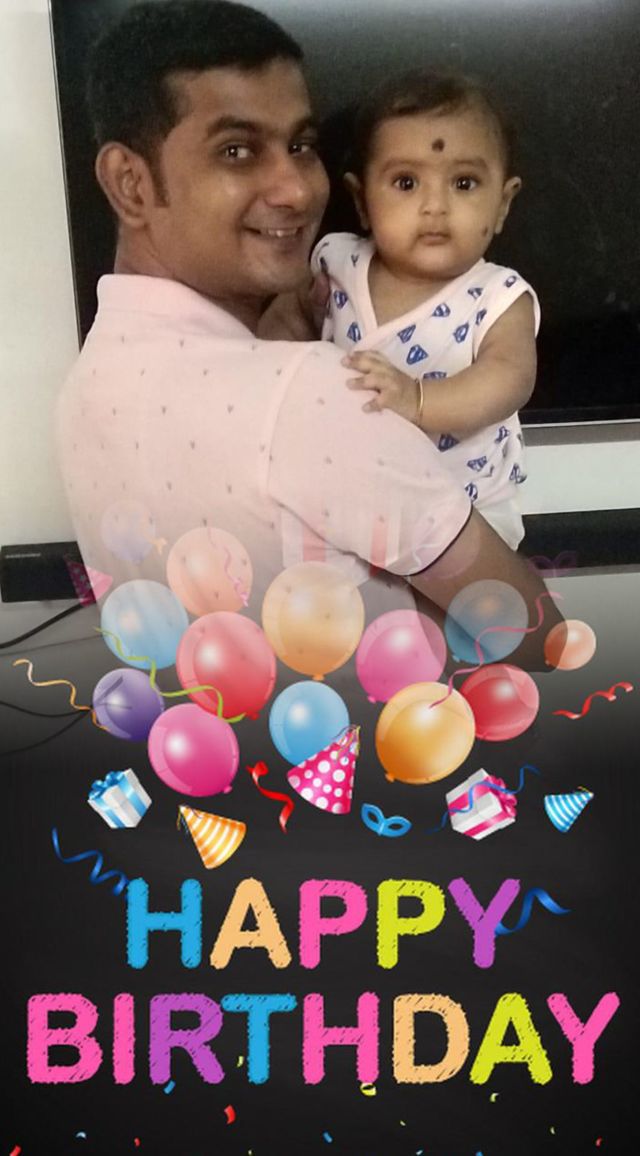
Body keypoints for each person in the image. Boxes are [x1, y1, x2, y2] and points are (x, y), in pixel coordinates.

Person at [55, 0, 558, 657]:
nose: (295, 188)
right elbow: (533, 636)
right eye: (237, 151)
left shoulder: (83, 390)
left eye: (300, 145)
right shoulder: (320, 395)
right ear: (130, 183)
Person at [310, 71, 538, 550]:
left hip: (466, 514)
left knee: (465, 598)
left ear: (502, 203)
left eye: (464, 183)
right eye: (406, 182)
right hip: (350, 497)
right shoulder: (337, 261)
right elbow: (295, 315)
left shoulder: (497, 297)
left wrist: (417, 400)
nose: (435, 206)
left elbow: (509, 378)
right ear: (362, 200)